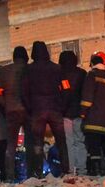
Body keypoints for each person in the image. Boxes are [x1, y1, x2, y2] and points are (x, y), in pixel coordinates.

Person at [22, 41, 70, 177]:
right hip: (55, 109)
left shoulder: (28, 70)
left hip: (37, 110)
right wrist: (62, 106)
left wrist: (29, 108)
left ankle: (38, 172)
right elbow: (66, 88)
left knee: (37, 142)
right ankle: (65, 170)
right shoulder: (57, 69)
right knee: (61, 141)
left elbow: (24, 91)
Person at [0, 46, 32, 181]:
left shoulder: (4, 71)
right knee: (30, 143)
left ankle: (10, 176)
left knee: (11, 145)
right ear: (26, 57)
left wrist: (6, 104)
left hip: (11, 111)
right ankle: (32, 174)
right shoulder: (29, 69)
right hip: (28, 110)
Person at [58, 50, 87, 175]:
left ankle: (70, 170)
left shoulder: (59, 73)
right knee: (80, 141)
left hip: (64, 113)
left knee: (68, 142)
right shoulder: (82, 73)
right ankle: (82, 169)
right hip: (79, 113)